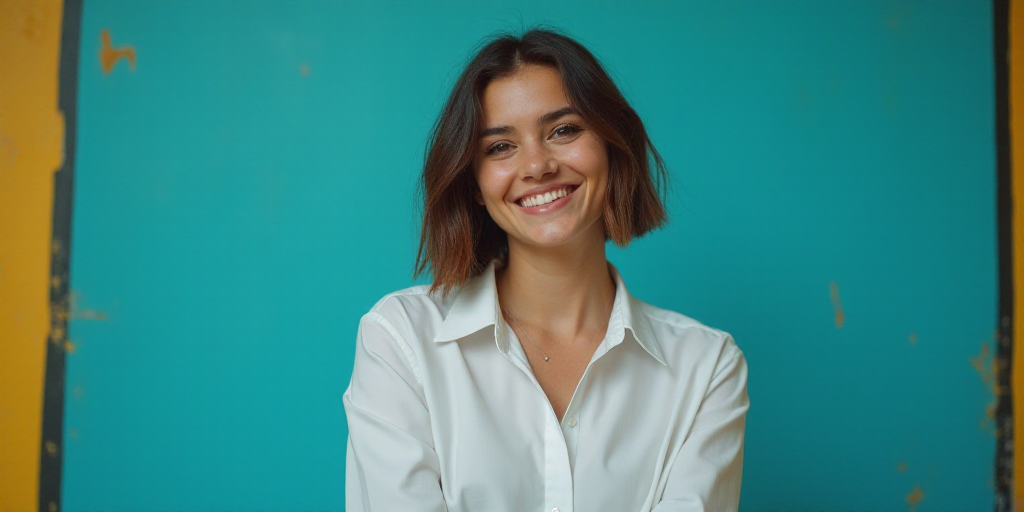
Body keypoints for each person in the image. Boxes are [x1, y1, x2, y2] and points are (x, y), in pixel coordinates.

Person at [343, 28, 749, 512]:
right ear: (475, 184)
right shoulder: (401, 340)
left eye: (563, 130)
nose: (536, 166)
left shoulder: (706, 367)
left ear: (612, 146)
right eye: (500, 147)